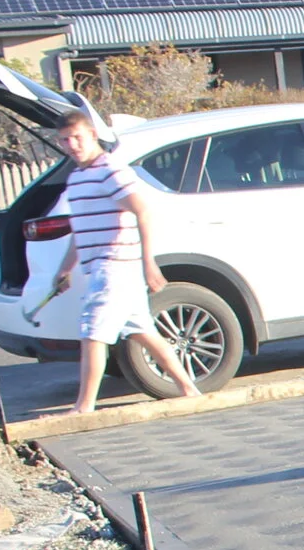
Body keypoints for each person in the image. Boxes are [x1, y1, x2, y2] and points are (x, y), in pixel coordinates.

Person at [40, 111, 201, 413]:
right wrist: (65, 268)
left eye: (78, 137)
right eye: (65, 140)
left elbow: (143, 211)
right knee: (143, 332)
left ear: (92, 135)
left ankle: (84, 407)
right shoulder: (76, 178)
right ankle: (189, 390)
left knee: (92, 333)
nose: (73, 145)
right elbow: (80, 228)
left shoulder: (110, 170)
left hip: (115, 266)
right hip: (100, 268)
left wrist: (148, 263)